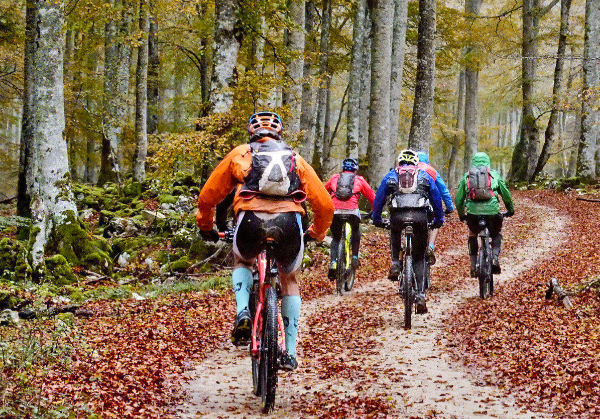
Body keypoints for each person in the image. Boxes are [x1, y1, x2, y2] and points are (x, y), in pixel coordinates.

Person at [196, 111, 334, 370]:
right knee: (289, 279)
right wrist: (317, 232)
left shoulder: (241, 154)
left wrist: (206, 227)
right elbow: (325, 205)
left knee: (242, 260)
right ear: (279, 133)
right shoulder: (295, 159)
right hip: (289, 224)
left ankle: (243, 312)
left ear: (252, 131)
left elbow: (208, 196)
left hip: (250, 222)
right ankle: (290, 352)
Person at [371, 149, 444, 314]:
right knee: (419, 256)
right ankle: (420, 295)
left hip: (398, 215)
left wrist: (376, 218)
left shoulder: (392, 175)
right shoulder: (424, 176)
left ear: (399, 162)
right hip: (420, 217)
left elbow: (380, 197)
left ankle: (396, 262)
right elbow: (436, 198)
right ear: (416, 163)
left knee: (395, 230)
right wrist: (439, 219)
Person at [454, 151, 514, 276]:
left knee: (472, 234)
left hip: (473, 214)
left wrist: (461, 214)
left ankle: (473, 263)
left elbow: (459, 199)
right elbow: (506, 194)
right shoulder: (494, 175)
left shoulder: (467, 176)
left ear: (473, 162)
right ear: (488, 162)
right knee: (496, 233)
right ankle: (495, 258)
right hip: (492, 212)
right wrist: (510, 210)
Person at [324, 158, 376, 279]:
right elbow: (372, 197)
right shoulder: (359, 180)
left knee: (336, 238)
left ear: (343, 169)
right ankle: (355, 257)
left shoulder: (334, 178)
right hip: (352, 211)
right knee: (356, 230)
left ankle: (333, 263)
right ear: (355, 170)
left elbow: (322, 191)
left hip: (335, 211)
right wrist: (374, 210)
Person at [416, 151, 454, 265]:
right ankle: (430, 247)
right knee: (435, 221)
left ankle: (405, 246)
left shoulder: (407, 169)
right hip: (426, 205)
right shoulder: (431, 170)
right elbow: (443, 190)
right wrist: (449, 208)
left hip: (407, 205)